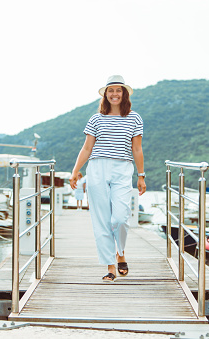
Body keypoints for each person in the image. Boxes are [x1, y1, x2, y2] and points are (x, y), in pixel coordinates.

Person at [69, 75, 146, 282]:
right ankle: (110, 266)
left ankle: (120, 252)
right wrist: (76, 170)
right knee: (101, 220)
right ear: (105, 94)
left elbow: (137, 149)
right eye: (110, 90)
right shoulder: (96, 119)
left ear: (124, 93)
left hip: (123, 168)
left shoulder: (134, 118)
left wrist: (141, 175)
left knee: (120, 217)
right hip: (97, 168)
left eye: (118, 90)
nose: (114, 94)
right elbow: (87, 147)